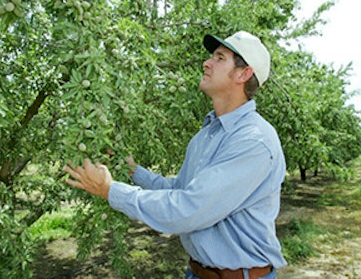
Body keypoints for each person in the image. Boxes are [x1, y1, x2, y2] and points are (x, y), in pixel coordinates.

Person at [63, 31, 287, 279]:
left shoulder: (253, 141)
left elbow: (189, 209)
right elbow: (179, 189)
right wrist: (133, 170)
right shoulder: (206, 135)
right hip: (197, 272)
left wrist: (110, 190)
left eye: (220, 58)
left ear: (243, 74)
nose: (207, 62)